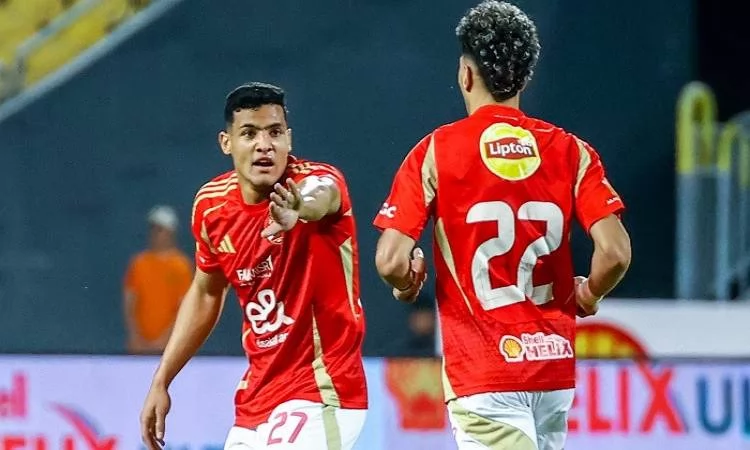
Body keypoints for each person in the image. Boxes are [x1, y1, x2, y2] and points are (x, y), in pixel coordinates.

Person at [372, 2, 631, 449]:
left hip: (484, 374)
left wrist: (406, 284)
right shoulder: (571, 151)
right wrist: (589, 294)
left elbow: (391, 260)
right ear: (524, 78)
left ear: (465, 75)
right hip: (552, 372)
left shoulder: (436, 151)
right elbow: (615, 253)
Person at [139, 82, 367, 450]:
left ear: (289, 139)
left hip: (321, 390)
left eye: (275, 132)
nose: (265, 145)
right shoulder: (211, 207)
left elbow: (323, 194)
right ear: (226, 142)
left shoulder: (316, 181)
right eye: (249, 133)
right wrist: (162, 379)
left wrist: (299, 207)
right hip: (256, 401)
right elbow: (206, 292)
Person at [123, 205, 192, 354]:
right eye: (153, 229)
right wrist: (136, 337)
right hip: (139, 347)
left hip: (170, 348)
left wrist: (165, 340)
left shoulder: (181, 266)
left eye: (160, 229)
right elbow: (130, 303)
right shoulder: (139, 263)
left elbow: (184, 308)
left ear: (171, 232)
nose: (155, 234)